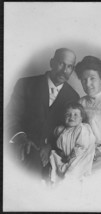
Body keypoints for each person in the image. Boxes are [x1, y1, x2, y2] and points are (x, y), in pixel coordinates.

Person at [5, 48, 80, 178]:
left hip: (53, 153)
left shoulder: (73, 96)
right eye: (61, 64)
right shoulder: (25, 84)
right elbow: (10, 116)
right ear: (52, 62)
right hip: (22, 145)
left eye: (69, 67)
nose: (64, 70)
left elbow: (69, 130)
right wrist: (22, 139)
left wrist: (50, 146)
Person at [49, 102, 96, 184]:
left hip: (79, 156)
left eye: (75, 115)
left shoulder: (82, 128)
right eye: (68, 115)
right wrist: (61, 153)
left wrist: (70, 156)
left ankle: (69, 181)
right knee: (54, 161)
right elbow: (59, 145)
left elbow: (81, 146)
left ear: (81, 118)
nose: (71, 117)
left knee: (72, 172)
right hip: (65, 156)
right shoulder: (63, 130)